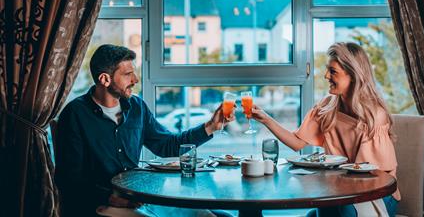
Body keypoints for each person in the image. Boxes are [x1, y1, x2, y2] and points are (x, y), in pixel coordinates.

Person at [54, 44, 233, 217]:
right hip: (103, 204)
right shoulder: (74, 114)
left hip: (139, 197)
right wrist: (112, 198)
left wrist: (210, 127)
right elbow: (69, 179)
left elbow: (167, 145)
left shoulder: (137, 107)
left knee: (222, 215)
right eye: (128, 74)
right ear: (105, 79)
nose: (135, 79)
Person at [250, 42, 400, 217]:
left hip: (376, 195)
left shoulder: (374, 116)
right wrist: (266, 119)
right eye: (327, 69)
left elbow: (370, 175)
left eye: (333, 71)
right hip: (338, 191)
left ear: (353, 75)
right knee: (319, 209)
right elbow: (297, 142)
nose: (326, 75)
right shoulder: (327, 107)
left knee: (335, 208)